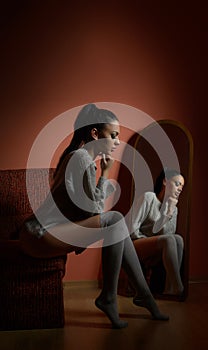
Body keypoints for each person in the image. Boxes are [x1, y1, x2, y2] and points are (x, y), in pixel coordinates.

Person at [20, 103, 169, 329]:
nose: (117, 141)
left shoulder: (84, 160)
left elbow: (91, 211)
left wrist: (101, 175)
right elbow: (94, 212)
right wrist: (105, 175)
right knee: (115, 219)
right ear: (95, 134)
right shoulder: (79, 158)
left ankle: (142, 295)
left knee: (117, 225)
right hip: (39, 235)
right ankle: (118, 296)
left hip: (51, 233)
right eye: (113, 135)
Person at [131, 168, 185, 296]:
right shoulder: (149, 198)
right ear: (165, 181)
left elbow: (167, 236)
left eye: (182, 187)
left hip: (156, 247)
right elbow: (132, 229)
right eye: (177, 184)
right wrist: (149, 241)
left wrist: (168, 213)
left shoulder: (173, 208)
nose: (179, 189)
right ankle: (178, 285)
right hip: (136, 244)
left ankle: (170, 288)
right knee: (171, 239)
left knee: (178, 239)